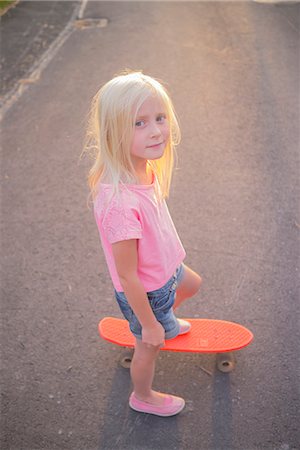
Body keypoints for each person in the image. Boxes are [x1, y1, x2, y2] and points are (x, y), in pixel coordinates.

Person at [83, 70, 202, 417]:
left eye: (159, 118)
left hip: (166, 271)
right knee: (149, 346)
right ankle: (143, 395)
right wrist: (149, 323)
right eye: (139, 123)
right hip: (147, 290)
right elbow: (128, 275)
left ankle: (163, 320)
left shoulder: (142, 167)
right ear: (113, 133)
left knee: (193, 284)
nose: (155, 130)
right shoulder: (119, 202)